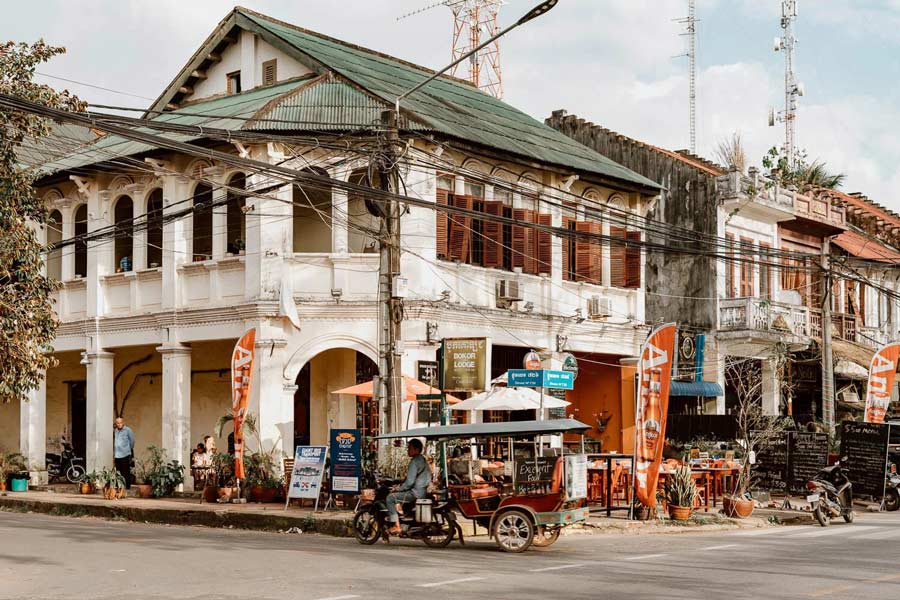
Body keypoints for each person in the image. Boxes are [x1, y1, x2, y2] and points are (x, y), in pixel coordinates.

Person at [386, 439, 430, 535]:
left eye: (410, 448)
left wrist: (398, 489)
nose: (408, 450)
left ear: (417, 449)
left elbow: (410, 482)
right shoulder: (422, 459)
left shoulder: (414, 462)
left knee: (390, 498)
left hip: (414, 493)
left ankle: (397, 526)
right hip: (422, 491)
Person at [113, 417, 135, 489]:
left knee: (126, 471)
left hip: (125, 454)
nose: (119, 424)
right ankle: (120, 486)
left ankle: (127, 487)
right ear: (116, 424)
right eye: (117, 423)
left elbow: (132, 441)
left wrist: (128, 449)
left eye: (120, 423)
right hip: (117, 454)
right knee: (118, 472)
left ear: (123, 423)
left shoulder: (128, 430)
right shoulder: (115, 431)